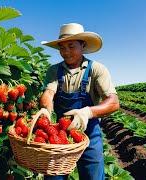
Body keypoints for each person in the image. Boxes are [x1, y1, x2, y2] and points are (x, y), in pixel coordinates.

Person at [38, 23, 120, 180]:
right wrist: (45, 109)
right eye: (62, 48)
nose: (66, 52)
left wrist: (88, 112)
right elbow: (48, 93)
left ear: (83, 45)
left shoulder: (96, 69)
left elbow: (114, 102)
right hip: (60, 133)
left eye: (71, 46)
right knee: (54, 176)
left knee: (93, 175)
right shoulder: (54, 70)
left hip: (89, 133)